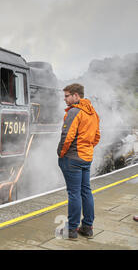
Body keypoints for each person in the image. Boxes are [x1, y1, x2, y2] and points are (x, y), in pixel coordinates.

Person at [57, 83, 100, 240]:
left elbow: (66, 136)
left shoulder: (75, 112)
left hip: (72, 158)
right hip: (86, 157)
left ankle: (72, 229)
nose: (65, 99)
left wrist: (61, 154)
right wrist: (87, 148)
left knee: (74, 193)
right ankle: (88, 227)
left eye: (67, 96)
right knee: (86, 191)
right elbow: (96, 136)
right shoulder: (92, 112)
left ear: (76, 95)